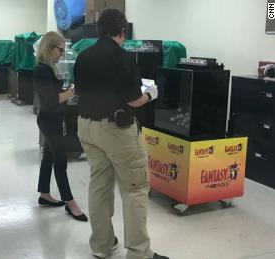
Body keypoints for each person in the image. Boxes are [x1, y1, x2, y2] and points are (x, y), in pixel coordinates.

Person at [74, 9, 169, 259]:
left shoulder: (83, 56)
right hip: (116, 130)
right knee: (135, 189)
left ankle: (102, 246)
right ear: (122, 31)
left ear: (99, 30)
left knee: (100, 186)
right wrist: (151, 93)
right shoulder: (122, 58)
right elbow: (135, 100)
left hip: (86, 127)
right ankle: (139, 253)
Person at [33, 31, 88, 222]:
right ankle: (70, 202)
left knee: (49, 157)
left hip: (52, 119)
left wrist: (66, 90)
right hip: (50, 121)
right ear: (49, 48)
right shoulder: (42, 70)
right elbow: (50, 101)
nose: (62, 54)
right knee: (60, 161)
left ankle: (44, 194)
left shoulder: (49, 69)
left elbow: (54, 93)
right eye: (60, 50)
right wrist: (73, 91)